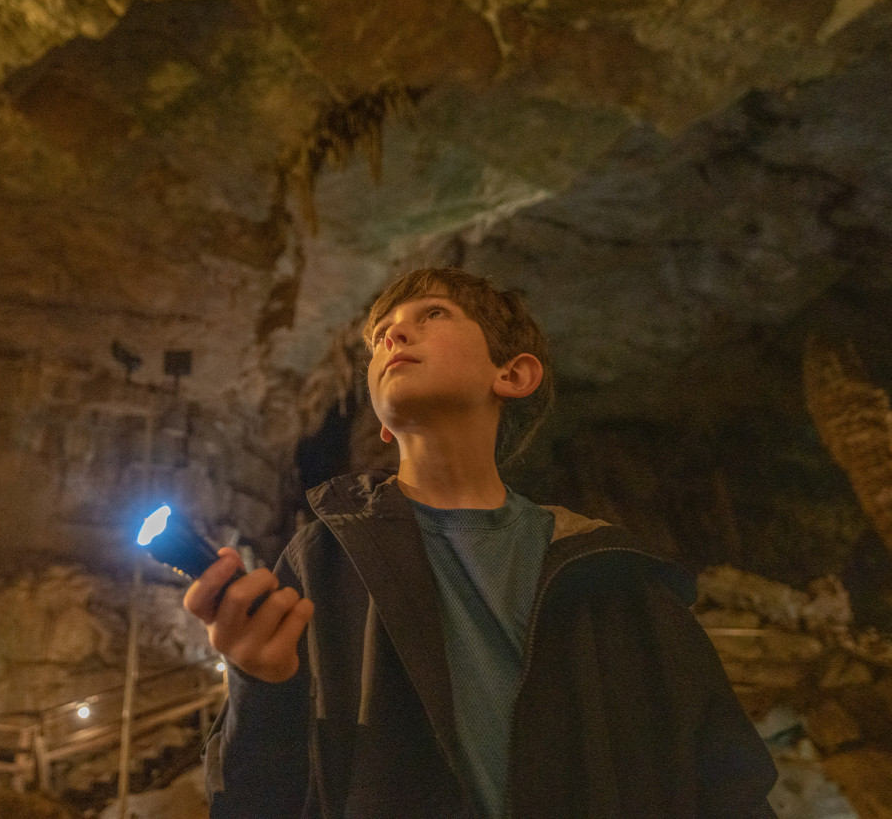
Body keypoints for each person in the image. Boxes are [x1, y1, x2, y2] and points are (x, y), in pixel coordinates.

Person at [184, 266, 777, 818]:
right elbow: (256, 802)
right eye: (380, 337)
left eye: (432, 315)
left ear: (513, 374)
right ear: (382, 423)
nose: (394, 337)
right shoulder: (322, 562)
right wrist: (259, 687)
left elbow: (727, 782)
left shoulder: (613, 574)